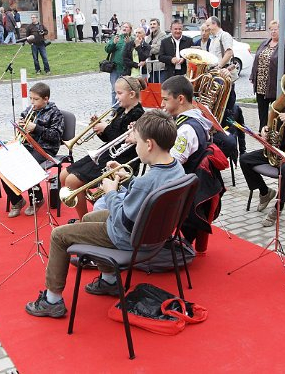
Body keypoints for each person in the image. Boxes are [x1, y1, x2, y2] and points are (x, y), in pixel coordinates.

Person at [25, 109, 183, 317]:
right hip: (154, 234)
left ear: (149, 145)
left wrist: (111, 193)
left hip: (130, 237)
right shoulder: (176, 168)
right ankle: (109, 281)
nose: (135, 147)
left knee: (59, 235)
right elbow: (145, 193)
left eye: (138, 143)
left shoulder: (147, 182)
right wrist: (127, 178)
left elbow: (122, 220)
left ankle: (52, 300)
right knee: (89, 218)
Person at [60, 76, 145, 220]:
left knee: (71, 182)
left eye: (119, 93)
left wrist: (105, 128)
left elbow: (122, 141)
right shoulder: (120, 110)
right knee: (63, 175)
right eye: (116, 93)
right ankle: (91, 207)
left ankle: (84, 220)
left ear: (131, 94)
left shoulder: (138, 115)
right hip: (106, 152)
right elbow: (109, 138)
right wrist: (98, 129)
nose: (116, 97)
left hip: (121, 159)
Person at [159, 75, 226, 244]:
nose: (162, 104)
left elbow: (171, 163)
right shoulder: (194, 117)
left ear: (180, 99)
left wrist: (147, 144)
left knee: (138, 190)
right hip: (189, 181)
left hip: (180, 185)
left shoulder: (187, 128)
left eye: (165, 99)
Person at [239, 87, 285, 227]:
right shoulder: (282, 105)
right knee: (244, 159)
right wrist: (265, 130)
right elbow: (272, 126)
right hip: (278, 149)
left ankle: (278, 207)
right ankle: (265, 192)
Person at [4, 83, 65, 217]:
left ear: (46, 99)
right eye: (31, 98)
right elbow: (22, 130)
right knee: (4, 164)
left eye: (36, 99)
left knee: (27, 164)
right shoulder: (28, 111)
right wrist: (20, 127)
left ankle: (36, 200)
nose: (32, 102)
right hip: (27, 145)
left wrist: (36, 128)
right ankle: (17, 200)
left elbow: (56, 137)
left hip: (46, 148)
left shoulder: (55, 113)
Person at [250, 20, 285, 131]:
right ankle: (262, 131)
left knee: (276, 112)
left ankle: (275, 132)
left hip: (276, 86)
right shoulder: (264, 43)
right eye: (271, 29)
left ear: (281, 30)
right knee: (262, 112)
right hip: (261, 85)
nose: (273, 32)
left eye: (275, 29)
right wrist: (253, 76)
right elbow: (256, 60)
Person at [104, 22, 133, 105]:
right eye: (123, 26)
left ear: (130, 30)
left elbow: (135, 53)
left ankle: (125, 107)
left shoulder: (132, 39)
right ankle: (114, 109)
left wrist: (129, 44)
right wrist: (113, 43)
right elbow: (107, 49)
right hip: (115, 69)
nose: (124, 28)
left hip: (127, 69)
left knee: (127, 90)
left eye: (127, 27)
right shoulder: (116, 37)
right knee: (115, 90)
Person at [145, 18, 166, 83]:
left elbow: (158, 49)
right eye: (151, 24)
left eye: (154, 24)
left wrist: (148, 47)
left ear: (158, 25)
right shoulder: (148, 37)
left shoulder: (163, 35)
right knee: (154, 89)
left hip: (160, 67)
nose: (152, 26)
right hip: (151, 67)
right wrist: (152, 46)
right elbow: (144, 50)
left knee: (161, 88)